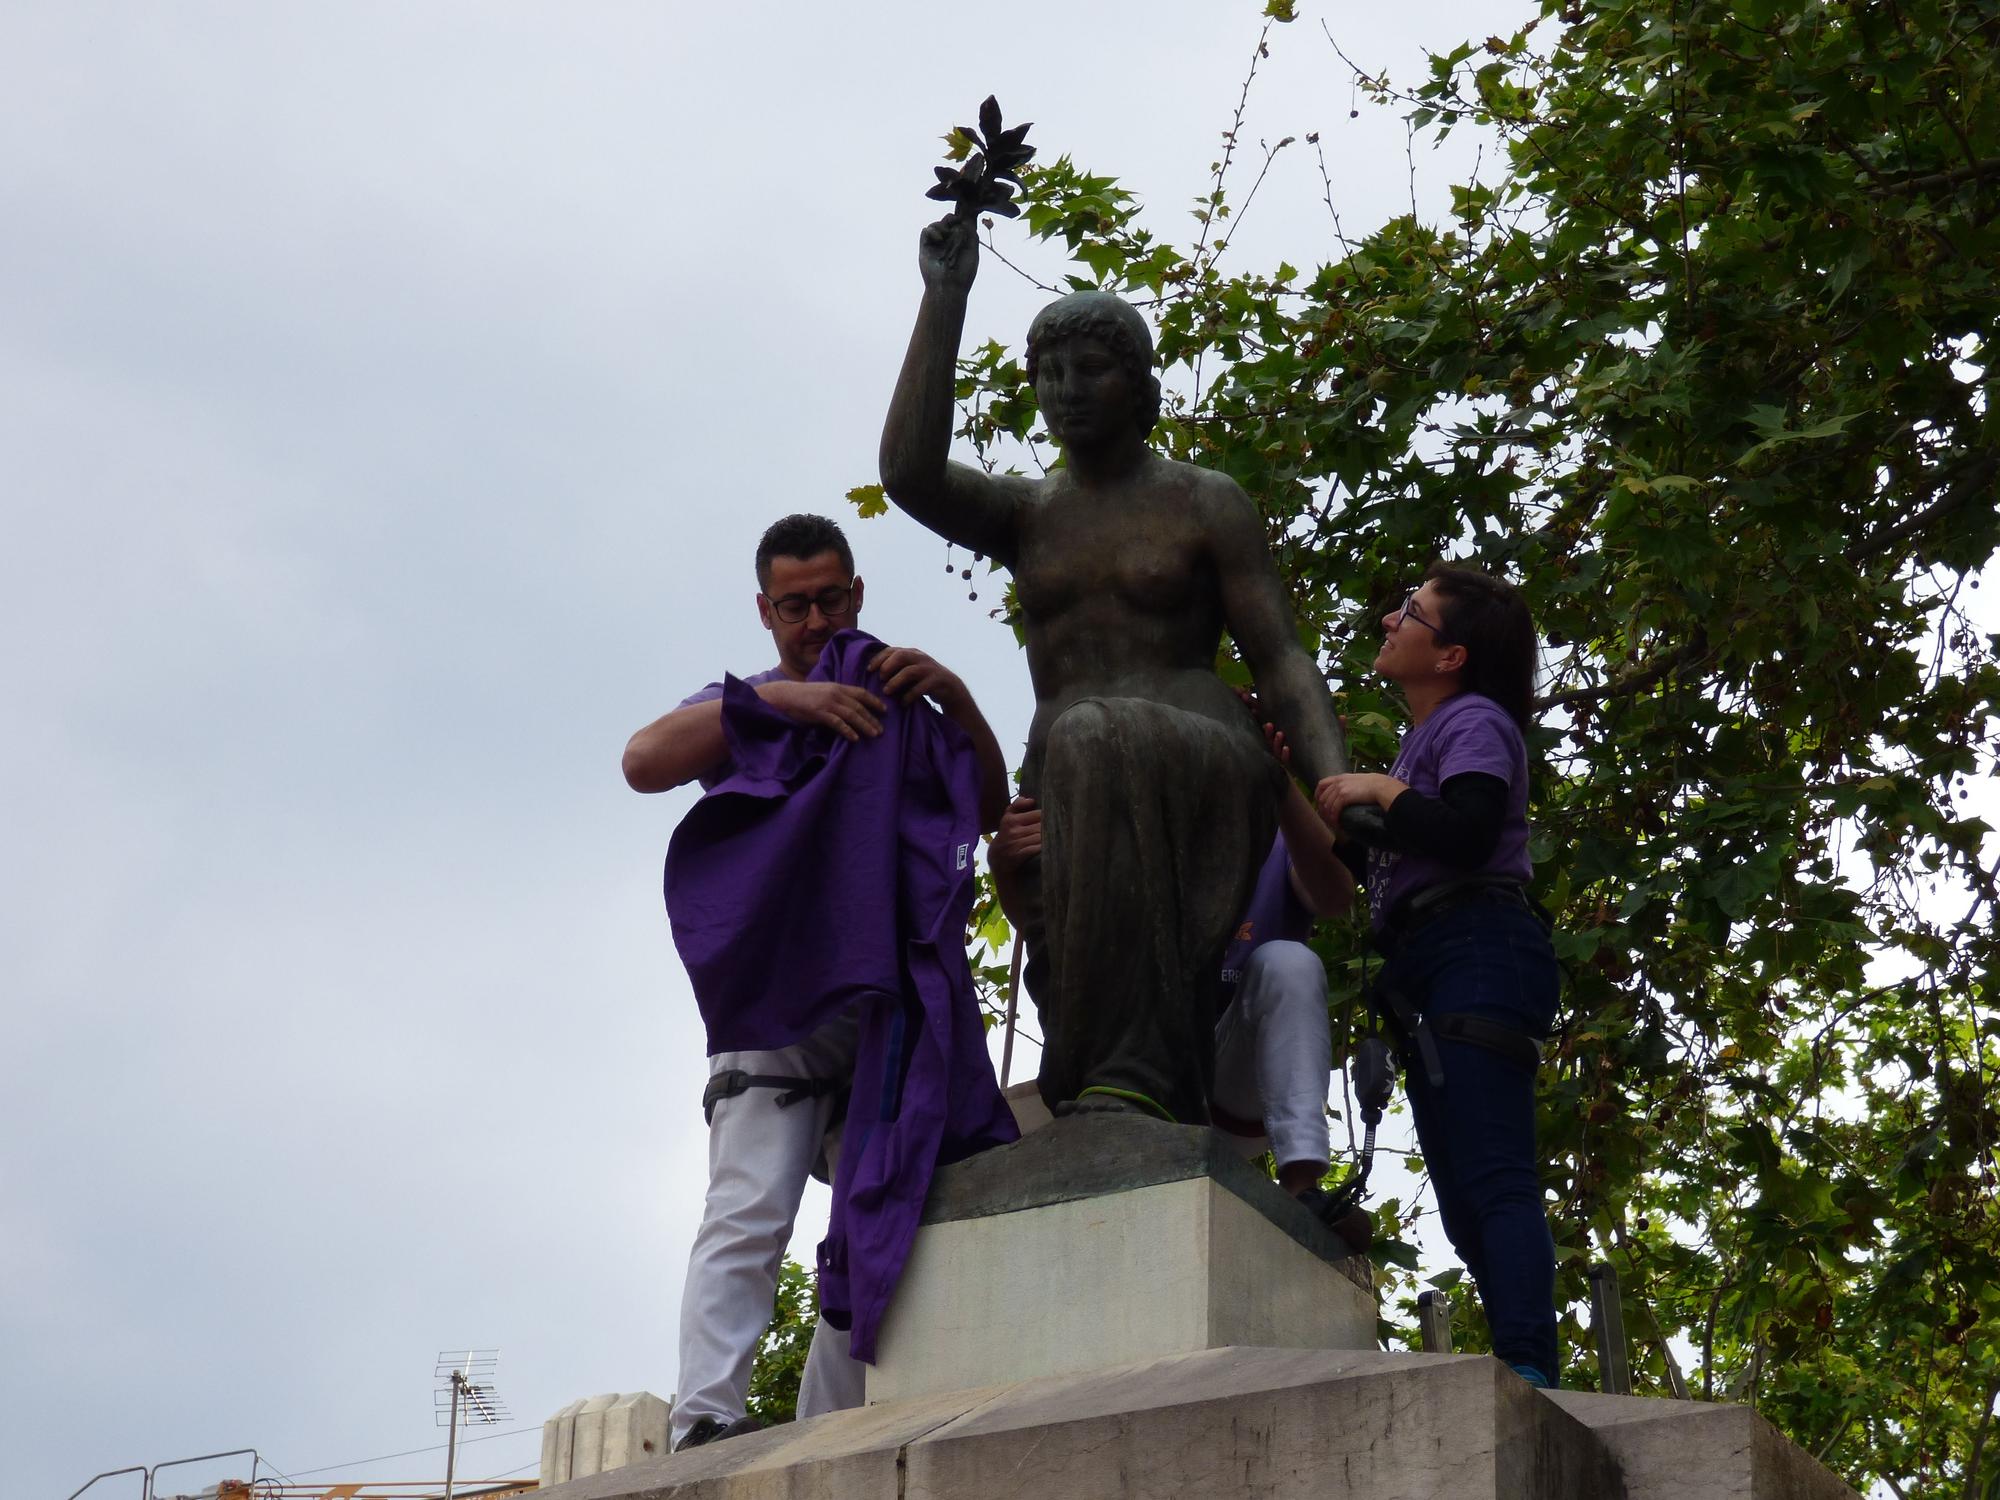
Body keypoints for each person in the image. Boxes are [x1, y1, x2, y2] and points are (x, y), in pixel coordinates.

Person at [879, 211, 1353, 1128]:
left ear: (1140, 385)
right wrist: (945, 298)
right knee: (1079, 831)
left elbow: (1281, 655)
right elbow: (908, 475)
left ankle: (1129, 1076)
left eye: (1089, 369)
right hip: (1069, 777)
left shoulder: (1203, 501)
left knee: (1096, 732)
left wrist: (1332, 782)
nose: (1066, 390)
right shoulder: (1028, 515)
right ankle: (1117, 1085)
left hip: (1201, 758)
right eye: (1049, 373)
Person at [622, 513, 1012, 1449]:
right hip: (778, 994)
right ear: (764, 610)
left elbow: (988, 808)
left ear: (858, 594)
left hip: (884, 1000)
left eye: (830, 599)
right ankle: (705, 1416)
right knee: (749, 1204)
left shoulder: (900, 698)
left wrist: (956, 697)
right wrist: (784, 706)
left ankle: (829, 1429)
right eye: (793, 605)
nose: (813, 618)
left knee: (882, 1212)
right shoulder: (746, 701)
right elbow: (642, 762)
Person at [1315, 563, 1561, 1388]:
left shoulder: (1475, 722)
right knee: (1460, 1199)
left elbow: (1467, 831)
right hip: (1432, 962)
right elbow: (1361, 862)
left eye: (1410, 610)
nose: (1391, 616)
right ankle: (1517, 1361)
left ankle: (1528, 1365)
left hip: (1478, 945)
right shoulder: (1426, 742)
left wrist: (1383, 790)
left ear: (1450, 655)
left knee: (1493, 1176)